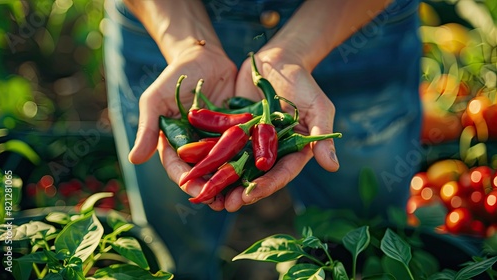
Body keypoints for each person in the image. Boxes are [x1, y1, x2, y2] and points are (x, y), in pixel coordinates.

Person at [103, 0, 422, 279]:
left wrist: (294, 52)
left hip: (353, 24)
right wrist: (188, 47)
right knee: (172, 246)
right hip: (165, 21)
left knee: (362, 236)